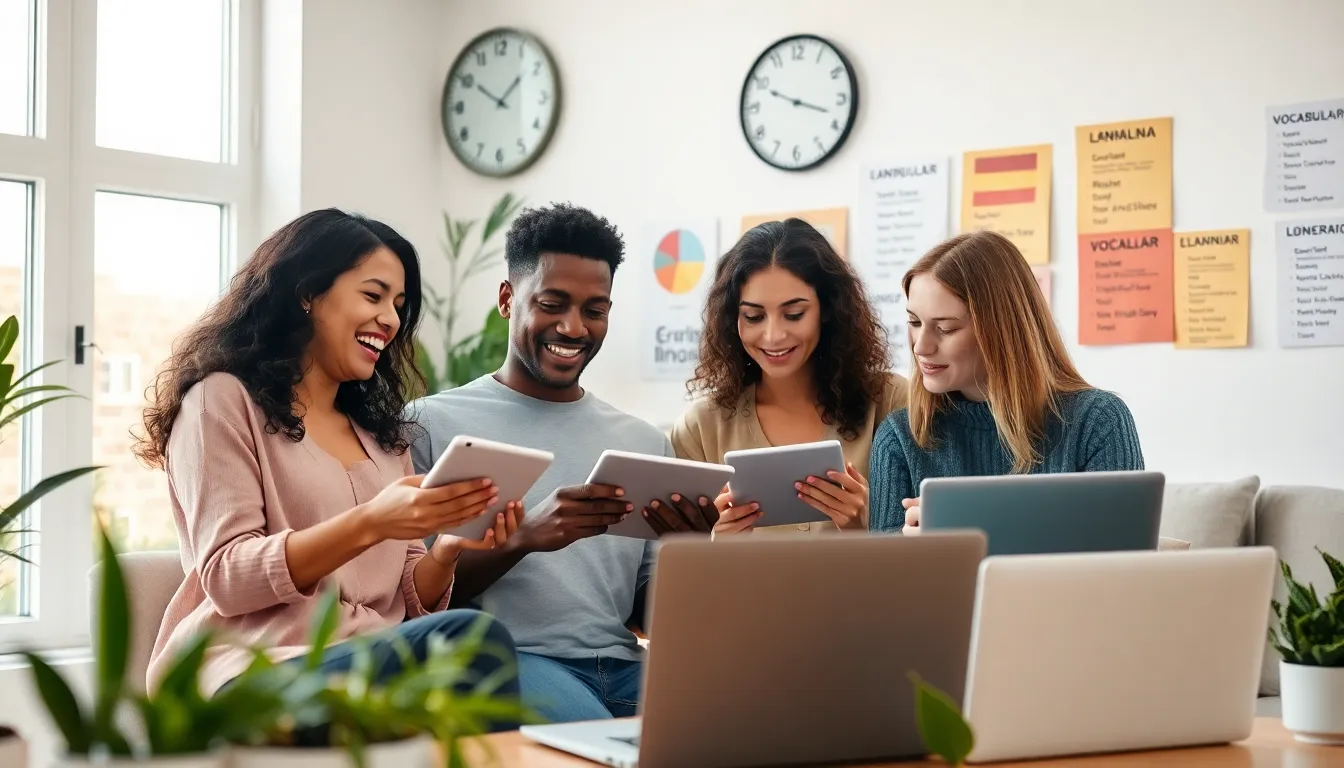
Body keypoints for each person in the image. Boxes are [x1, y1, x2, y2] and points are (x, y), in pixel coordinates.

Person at [137, 209, 521, 730]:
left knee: (470, 638)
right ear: (308, 293)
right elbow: (227, 575)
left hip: (366, 661)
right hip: (250, 670)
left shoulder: (382, 436)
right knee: (473, 639)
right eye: (373, 295)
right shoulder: (221, 402)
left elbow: (409, 594)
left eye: (399, 305)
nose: (389, 318)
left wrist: (449, 548)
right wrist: (371, 523)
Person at [407, 203, 717, 724]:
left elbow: (645, 616)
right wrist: (524, 536)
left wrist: (689, 549)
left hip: (624, 664)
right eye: (553, 304)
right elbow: (410, 601)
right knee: (592, 739)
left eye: (595, 310)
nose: (573, 328)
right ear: (508, 300)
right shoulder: (430, 424)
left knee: (739, 726)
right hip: (508, 661)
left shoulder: (641, 441)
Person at [868, 230, 1145, 533]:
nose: (921, 346)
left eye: (945, 328)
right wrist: (912, 549)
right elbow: (882, 577)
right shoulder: (899, 438)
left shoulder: (1098, 421)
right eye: (915, 323)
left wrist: (982, 528)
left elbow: (1122, 562)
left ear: (1001, 331)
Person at [671, 218, 908, 535]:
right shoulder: (700, 428)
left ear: (828, 308)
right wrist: (717, 549)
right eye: (753, 316)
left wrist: (868, 526)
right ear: (732, 318)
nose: (773, 335)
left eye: (794, 314)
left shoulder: (889, 400)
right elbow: (682, 573)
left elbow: (929, 554)